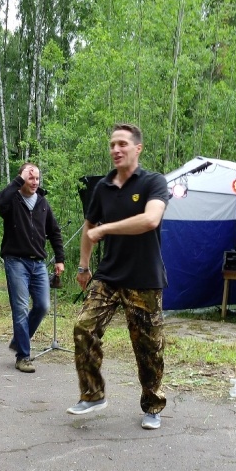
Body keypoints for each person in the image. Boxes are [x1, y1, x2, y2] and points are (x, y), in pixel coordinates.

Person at [67, 123, 168, 429]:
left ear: (138, 148)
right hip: (109, 275)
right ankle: (93, 394)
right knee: (83, 327)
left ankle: (152, 406)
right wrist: (83, 266)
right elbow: (89, 227)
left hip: (144, 278)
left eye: (122, 144)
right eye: (112, 144)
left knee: (148, 349)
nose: (116, 149)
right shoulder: (103, 187)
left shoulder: (153, 182)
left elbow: (150, 220)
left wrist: (106, 229)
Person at [0, 163, 65, 373]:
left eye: (37, 179)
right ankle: (23, 356)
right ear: (21, 179)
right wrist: (18, 180)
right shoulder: (11, 200)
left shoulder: (42, 202)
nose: (34, 182)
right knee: (21, 308)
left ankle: (19, 340)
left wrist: (60, 259)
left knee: (42, 306)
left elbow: (54, 231)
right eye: (30, 178)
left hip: (38, 263)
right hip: (16, 261)